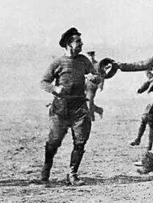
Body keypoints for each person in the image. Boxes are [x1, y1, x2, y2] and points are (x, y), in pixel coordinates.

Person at [37, 27, 101, 186]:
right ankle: (45, 172)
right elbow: (43, 82)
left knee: (80, 142)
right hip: (60, 109)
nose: (82, 44)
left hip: (79, 108)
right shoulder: (57, 63)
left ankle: (72, 174)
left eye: (81, 41)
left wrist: (94, 78)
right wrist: (55, 89)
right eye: (78, 41)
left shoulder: (84, 60)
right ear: (68, 44)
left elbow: (96, 77)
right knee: (54, 142)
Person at [85, 51, 104, 121]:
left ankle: (90, 118)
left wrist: (100, 85)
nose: (90, 58)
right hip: (84, 85)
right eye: (89, 56)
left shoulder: (97, 65)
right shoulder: (84, 65)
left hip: (93, 86)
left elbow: (102, 75)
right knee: (85, 101)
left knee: (89, 100)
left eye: (92, 56)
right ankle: (99, 110)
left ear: (94, 56)